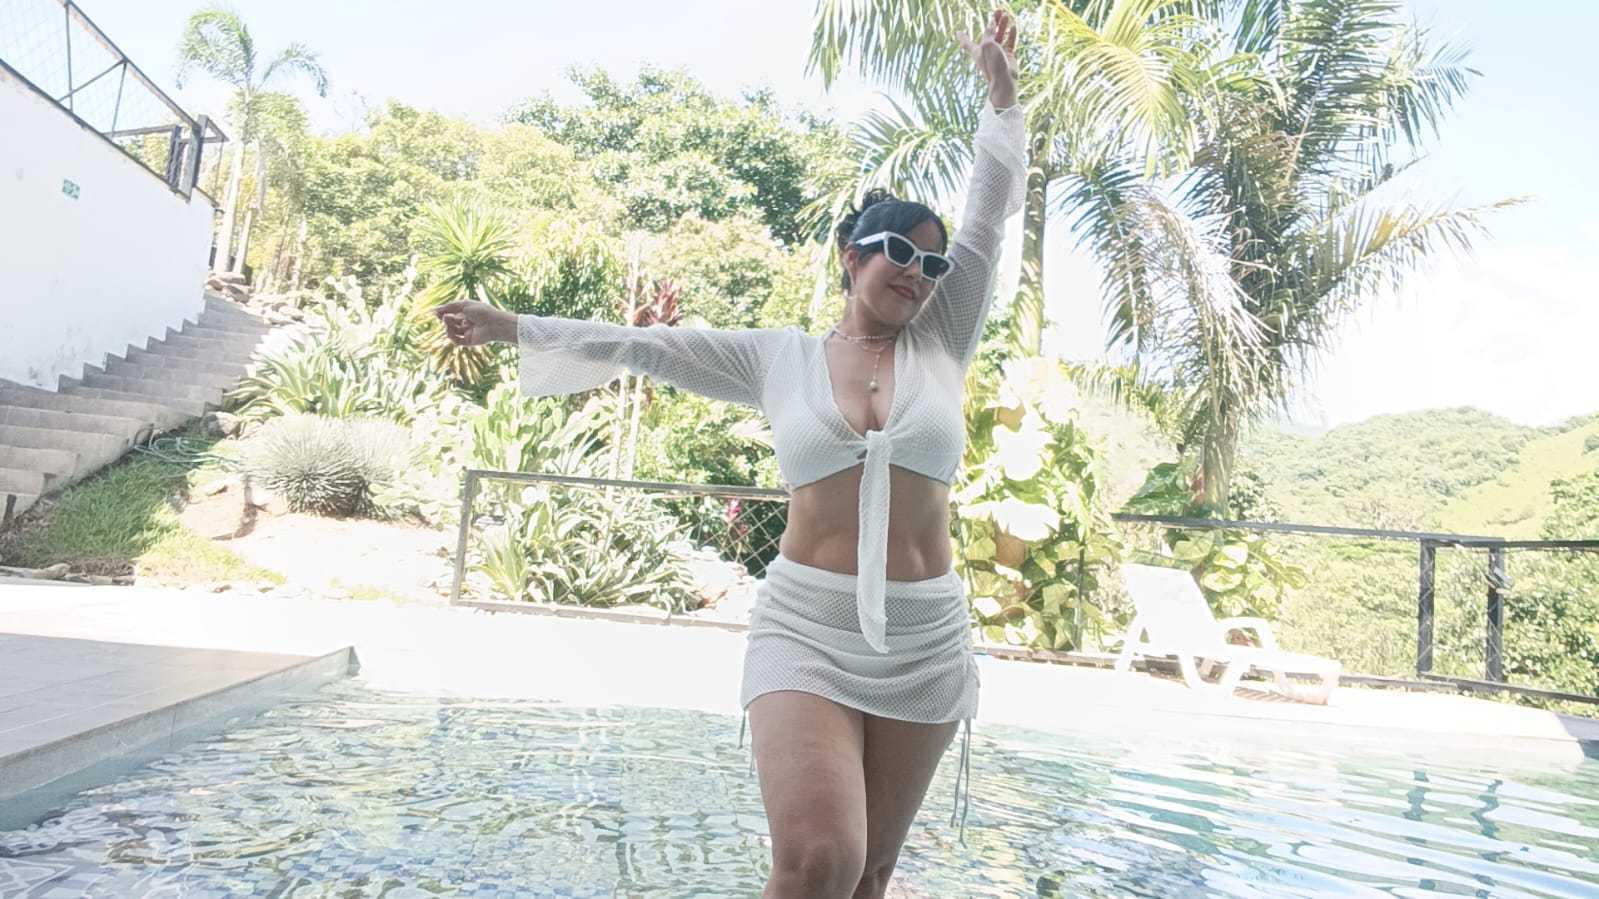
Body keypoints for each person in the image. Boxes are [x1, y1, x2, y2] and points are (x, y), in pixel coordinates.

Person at [437, 10, 1024, 897]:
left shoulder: (945, 342)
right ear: (850, 256)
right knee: (819, 856)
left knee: (870, 872)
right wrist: (514, 325)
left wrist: (1000, 96)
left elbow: (986, 215)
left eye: (930, 264)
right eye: (898, 251)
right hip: (807, 625)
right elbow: (648, 347)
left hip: (923, 634)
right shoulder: (776, 358)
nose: (916, 270)